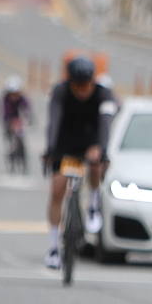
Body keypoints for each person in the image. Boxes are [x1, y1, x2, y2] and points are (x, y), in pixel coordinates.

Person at [43, 55, 116, 269]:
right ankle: (54, 246)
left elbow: (105, 124)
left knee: (96, 162)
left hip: (90, 139)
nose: (82, 91)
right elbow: (53, 121)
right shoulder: (60, 91)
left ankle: (93, 204)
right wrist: (50, 149)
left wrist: (101, 148)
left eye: (86, 86)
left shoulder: (104, 93)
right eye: (77, 86)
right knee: (57, 189)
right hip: (66, 141)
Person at [1, 76, 32, 173]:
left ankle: (24, 164)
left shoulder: (21, 99)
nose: (14, 96)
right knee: (10, 145)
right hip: (9, 123)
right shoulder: (6, 100)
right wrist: (10, 122)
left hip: (19, 122)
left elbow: (27, 108)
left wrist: (27, 118)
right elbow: (5, 114)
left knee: (22, 142)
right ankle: (11, 163)